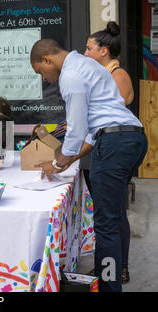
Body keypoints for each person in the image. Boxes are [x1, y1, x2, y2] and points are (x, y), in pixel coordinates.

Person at [30, 39, 148, 292]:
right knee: (113, 217)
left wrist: (58, 160)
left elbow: (76, 126)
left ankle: (109, 286)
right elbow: (91, 133)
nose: (45, 79)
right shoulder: (88, 65)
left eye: (41, 71)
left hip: (114, 142)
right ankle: (114, 278)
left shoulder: (70, 75)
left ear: (47, 60)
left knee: (105, 225)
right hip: (133, 137)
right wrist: (68, 159)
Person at [84, 21, 135, 284]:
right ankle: (110, 271)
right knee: (108, 212)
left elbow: (112, 108)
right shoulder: (101, 75)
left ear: (104, 51)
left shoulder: (118, 75)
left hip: (112, 148)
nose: (85, 54)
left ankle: (116, 271)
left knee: (112, 213)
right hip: (99, 147)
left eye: (89, 48)